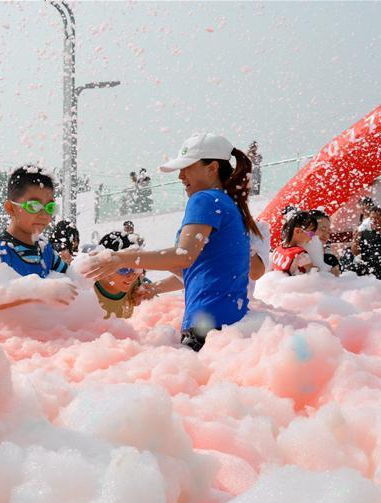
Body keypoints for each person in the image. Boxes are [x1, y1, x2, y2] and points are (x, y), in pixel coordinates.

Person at [85, 133, 259, 352]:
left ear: (212, 168)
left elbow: (183, 255)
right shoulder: (227, 203)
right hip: (229, 321)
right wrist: (154, 288)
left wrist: (121, 258)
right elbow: (196, 270)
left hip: (206, 324)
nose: (180, 176)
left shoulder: (204, 199)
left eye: (187, 167)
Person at [0, 166, 76, 311]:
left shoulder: (46, 251)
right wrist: (36, 291)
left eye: (50, 207)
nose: (44, 214)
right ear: (10, 208)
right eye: (34, 206)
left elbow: (74, 281)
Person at [92, 231, 147, 319]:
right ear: (105, 266)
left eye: (137, 267)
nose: (132, 275)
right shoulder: (89, 292)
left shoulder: (137, 283)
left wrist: (146, 293)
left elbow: (152, 291)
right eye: (124, 269)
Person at [351, 206, 381, 285]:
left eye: (376, 218)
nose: (373, 221)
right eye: (371, 218)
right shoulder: (364, 234)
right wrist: (355, 240)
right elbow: (356, 253)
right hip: (368, 275)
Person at [271, 211, 318, 276]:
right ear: (298, 231)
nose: (312, 237)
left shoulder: (277, 250)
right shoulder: (300, 255)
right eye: (311, 234)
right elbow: (315, 274)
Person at [308, 209, 340, 275]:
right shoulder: (298, 256)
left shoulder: (330, 260)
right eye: (322, 229)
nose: (326, 235)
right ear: (308, 229)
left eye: (328, 231)